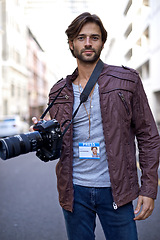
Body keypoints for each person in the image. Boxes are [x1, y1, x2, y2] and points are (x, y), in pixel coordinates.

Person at [32, 12, 160, 240]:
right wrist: (43, 137)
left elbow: (148, 135)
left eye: (94, 37)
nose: (88, 43)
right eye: (81, 38)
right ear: (71, 44)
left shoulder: (127, 80)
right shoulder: (58, 92)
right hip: (74, 192)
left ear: (102, 42)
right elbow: (60, 146)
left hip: (116, 191)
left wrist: (148, 188)